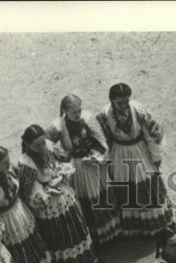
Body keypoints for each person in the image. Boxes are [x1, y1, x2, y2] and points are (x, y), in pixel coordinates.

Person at [18, 124, 99, 263]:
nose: (42, 147)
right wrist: (45, 189)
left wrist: (62, 174)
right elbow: (28, 192)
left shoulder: (49, 146)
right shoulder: (25, 163)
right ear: (27, 145)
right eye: (37, 145)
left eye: (43, 142)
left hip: (63, 194)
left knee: (75, 229)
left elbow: (65, 159)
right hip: (48, 205)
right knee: (60, 236)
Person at [97, 82, 175, 238]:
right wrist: (106, 160)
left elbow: (152, 132)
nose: (124, 105)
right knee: (127, 187)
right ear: (112, 100)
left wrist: (155, 155)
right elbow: (104, 139)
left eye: (126, 101)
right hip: (120, 153)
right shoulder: (104, 115)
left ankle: (160, 222)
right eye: (119, 103)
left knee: (148, 182)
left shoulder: (138, 110)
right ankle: (136, 226)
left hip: (140, 150)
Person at [47, 93, 121, 247]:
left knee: (102, 194)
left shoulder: (87, 118)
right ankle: (97, 238)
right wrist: (63, 156)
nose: (78, 114)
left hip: (93, 164)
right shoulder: (58, 125)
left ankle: (112, 232)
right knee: (86, 198)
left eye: (79, 110)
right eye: (74, 112)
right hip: (77, 167)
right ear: (65, 111)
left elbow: (100, 140)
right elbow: (46, 143)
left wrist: (95, 156)